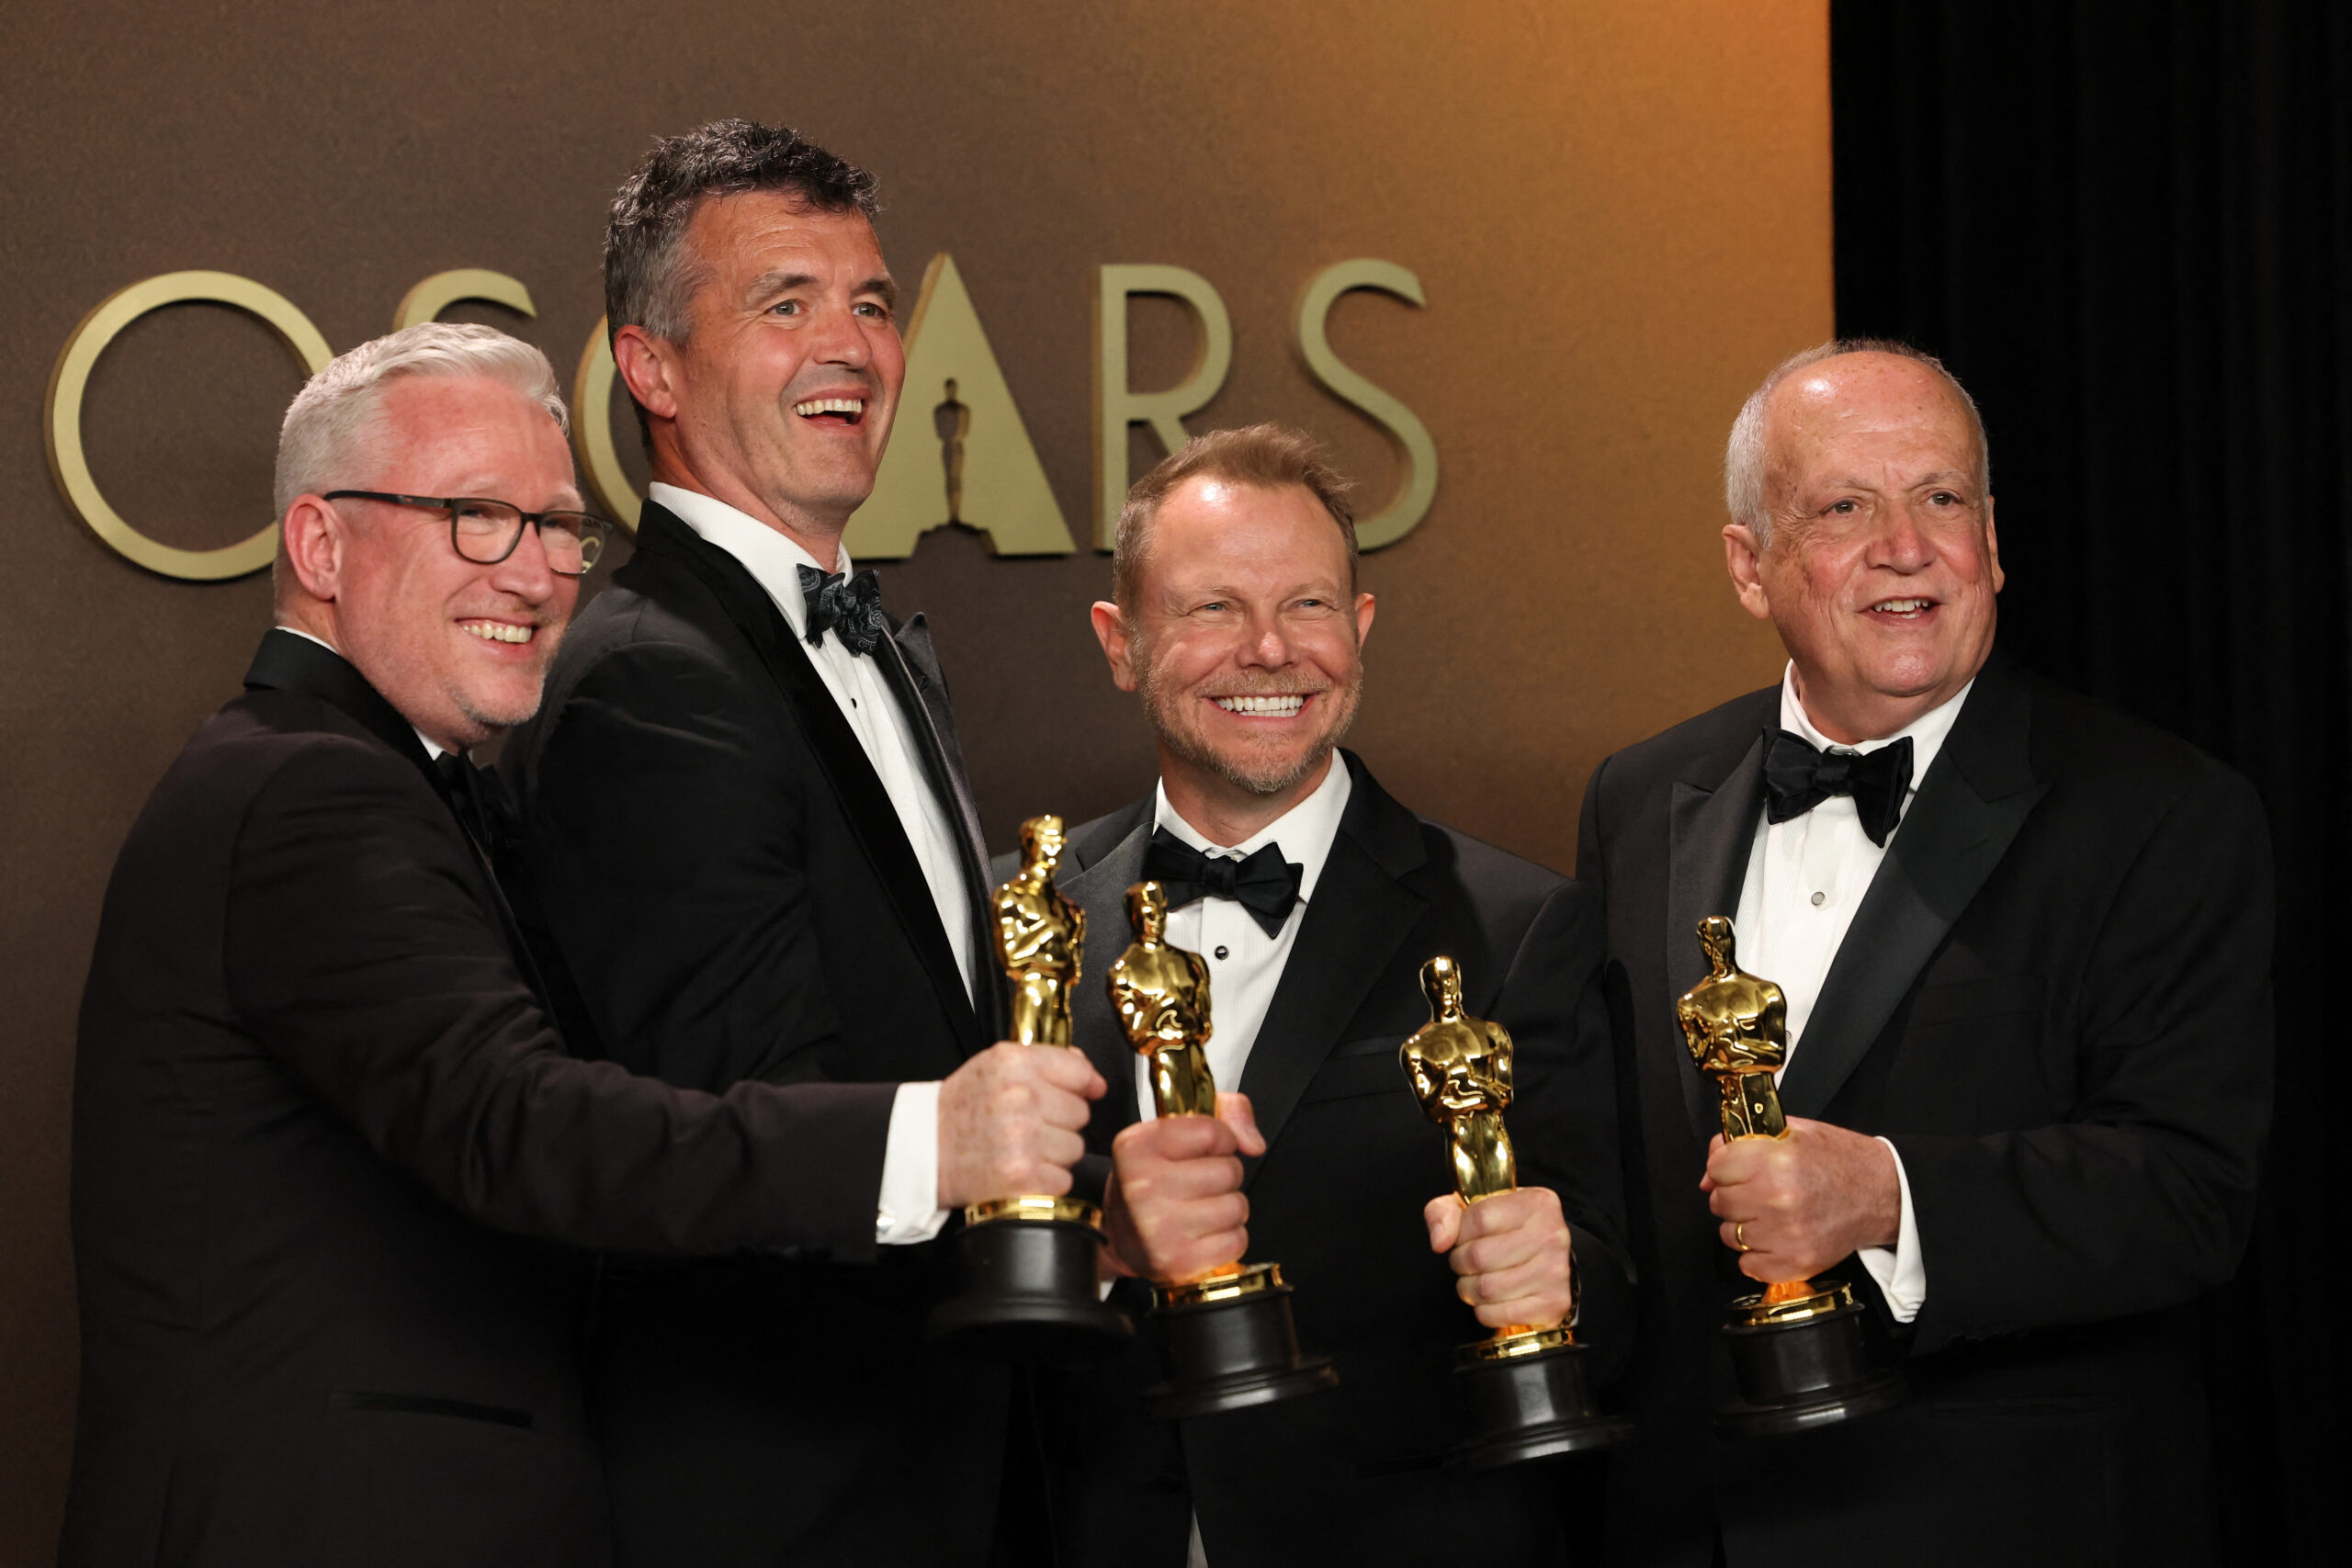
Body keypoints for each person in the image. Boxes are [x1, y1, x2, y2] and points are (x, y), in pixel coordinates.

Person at [60, 321, 1093, 1568]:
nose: (537, 571)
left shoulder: (389, 784)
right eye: (476, 515)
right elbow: (523, 1124)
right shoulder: (308, 796)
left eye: (557, 526)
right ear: (319, 543)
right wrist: (937, 1136)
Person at [1577, 341, 2273, 1565]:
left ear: (1992, 539)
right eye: (1846, 506)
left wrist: (1889, 1194)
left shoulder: (2160, 808)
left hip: (2006, 1524)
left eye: (1941, 497)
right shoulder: (1639, 797)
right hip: (1690, 1522)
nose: (1907, 544)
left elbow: (2189, 1191)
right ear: (1750, 565)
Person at [499, 120, 1088, 1566]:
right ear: (649, 367)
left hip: (939, 1464)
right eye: (787, 303)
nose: (852, 344)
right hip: (788, 1489)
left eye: (872, 303)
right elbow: (741, 1129)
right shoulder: (650, 678)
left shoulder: (864, 642)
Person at [1030, 425, 1634, 1568]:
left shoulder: (1517, 924)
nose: (1269, 651)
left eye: (1306, 606)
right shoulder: (1026, 924)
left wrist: (1562, 1281)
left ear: (1358, 633)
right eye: (1212, 609)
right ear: (1121, 642)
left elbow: (1619, 1287)